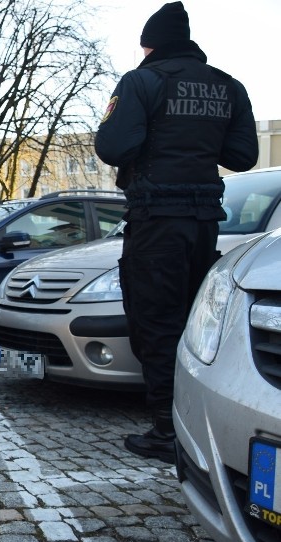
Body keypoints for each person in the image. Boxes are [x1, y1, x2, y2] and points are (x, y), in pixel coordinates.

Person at [95, 1, 258, 463]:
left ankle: (167, 430)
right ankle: (192, 419)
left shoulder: (142, 81)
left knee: (154, 321)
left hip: (156, 219)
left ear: (150, 44)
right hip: (204, 222)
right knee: (193, 322)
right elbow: (243, 155)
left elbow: (112, 146)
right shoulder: (228, 86)